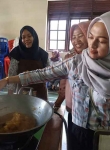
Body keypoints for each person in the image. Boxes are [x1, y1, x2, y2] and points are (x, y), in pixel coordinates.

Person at [0, 11, 110, 150]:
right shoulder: (75, 63)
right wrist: (7, 80)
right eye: (90, 37)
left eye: (101, 41)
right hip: (77, 129)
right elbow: (42, 74)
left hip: (105, 136)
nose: (92, 45)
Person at [54, 20, 91, 149]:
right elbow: (63, 85)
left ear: (89, 35)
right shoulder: (70, 59)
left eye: (80, 35)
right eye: (73, 37)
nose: (76, 40)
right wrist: (58, 103)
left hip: (91, 118)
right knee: (73, 143)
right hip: (72, 110)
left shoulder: (98, 60)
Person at [8, 25, 49, 100]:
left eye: (29, 36)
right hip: (22, 93)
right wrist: (10, 97)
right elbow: (12, 74)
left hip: (40, 94)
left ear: (34, 37)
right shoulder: (16, 53)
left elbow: (48, 75)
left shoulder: (43, 54)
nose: (26, 39)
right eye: (23, 37)